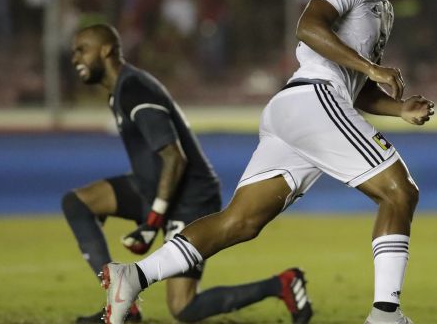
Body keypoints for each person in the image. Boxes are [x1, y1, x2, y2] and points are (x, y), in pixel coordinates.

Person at [101, 0, 435, 324]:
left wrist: (398, 108)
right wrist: (374, 68)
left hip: (304, 110)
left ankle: (133, 277)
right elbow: (308, 26)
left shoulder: (382, 9)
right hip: (313, 101)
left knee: (239, 222)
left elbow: (355, 86)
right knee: (400, 191)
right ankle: (386, 315)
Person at [64, 23, 312, 323]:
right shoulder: (120, 90)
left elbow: (175, 158)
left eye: (82, 49)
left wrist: (153, 221)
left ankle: (282, 284)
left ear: (105, 50)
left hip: (188, 195)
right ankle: (123, 302)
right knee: (77, 202)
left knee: (183, 308)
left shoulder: (134, 89)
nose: (75, 57)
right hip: (152, 186)